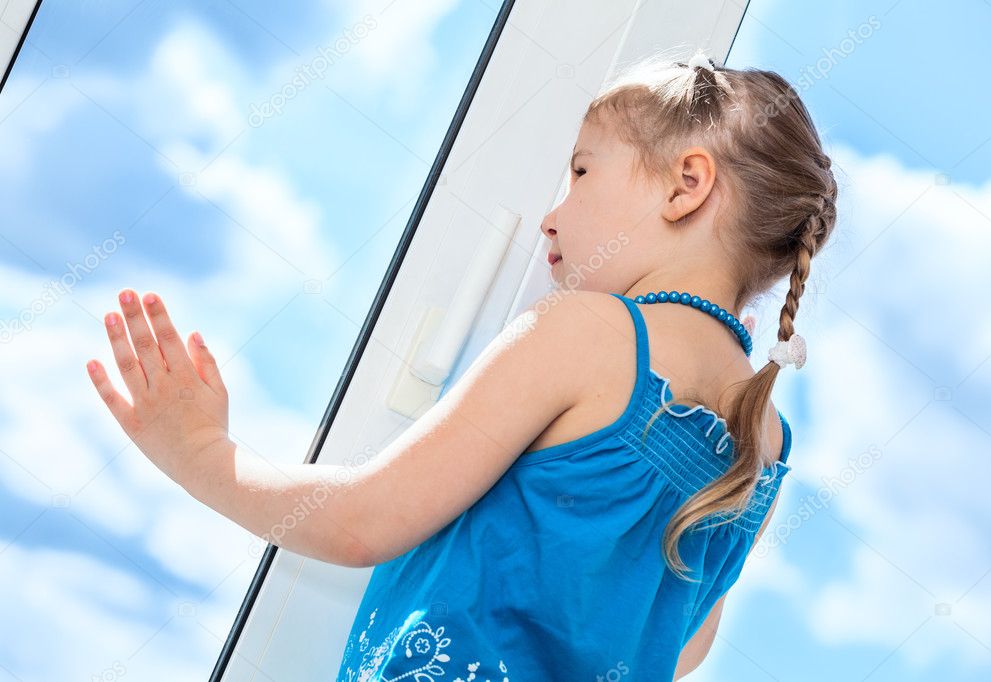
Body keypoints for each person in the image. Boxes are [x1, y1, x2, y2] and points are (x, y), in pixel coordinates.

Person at [86, 46, 837, 681]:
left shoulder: (587, 333)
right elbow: (683, 649)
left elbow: (360, 524)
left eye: (579, 172)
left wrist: (200, 454)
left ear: (686, 186)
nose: (551, 212)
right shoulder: (765, 438)